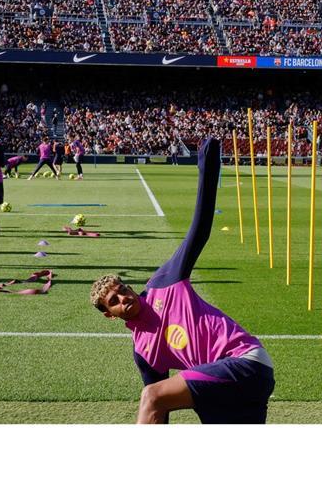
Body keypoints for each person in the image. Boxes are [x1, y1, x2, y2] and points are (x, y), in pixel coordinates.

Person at [89, 138, 274, 424]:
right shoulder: (143, 352)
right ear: (108, 315)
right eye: (114, 301)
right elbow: (158, 414)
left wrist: (207, 170)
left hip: (245, 362)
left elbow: (198, 231)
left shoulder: (165, 281)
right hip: (225, 389)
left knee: (151, 396)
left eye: (122, 289)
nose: (123, 297)